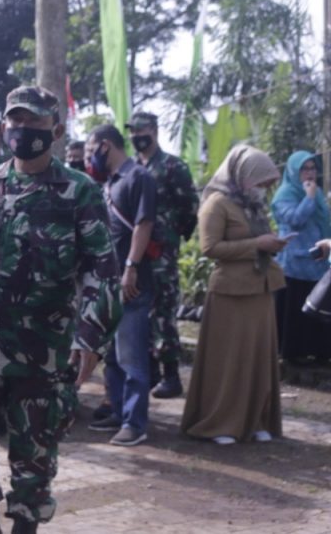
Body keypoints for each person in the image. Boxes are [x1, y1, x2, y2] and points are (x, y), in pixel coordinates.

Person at [0, 86, 121, 534]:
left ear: (54, 129)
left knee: (34, 450)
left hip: (43, 346)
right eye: (16, 121)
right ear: (4, 126)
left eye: (33, 123)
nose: (23, 130)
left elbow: (101, 271)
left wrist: (91, 336)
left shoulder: (79, 192)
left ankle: (25, 526)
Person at [181, 144, 287, 445]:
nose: (264, 189)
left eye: (268, 184)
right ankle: (220, 423)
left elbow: (259, 240)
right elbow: (209, 248)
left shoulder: (252, 205)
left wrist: (273, 244)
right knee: (228, 362)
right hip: (230, 294)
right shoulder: (217, 203)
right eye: (260, 182)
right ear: (242, 175)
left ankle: (255, 420)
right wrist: (257, 245)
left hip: (260, 289)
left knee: (258, 359)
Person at [84, 124, 157, 447]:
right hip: (108, 282)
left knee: (131, 354)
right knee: (112, 354)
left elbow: (144, 224)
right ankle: (116, 409)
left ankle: (135, 422)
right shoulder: (111, 182)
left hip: (132, 282)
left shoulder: (138, 178)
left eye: (90, 151)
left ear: (104, 146)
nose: (89, 158)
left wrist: (131, 268)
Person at [127, 112, 198, 398]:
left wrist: (169, 235)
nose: (136, 135)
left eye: (141, 129)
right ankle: (150, 371)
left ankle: (170, 375)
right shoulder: (131, 167)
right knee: (139, 311)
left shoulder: (172, 166)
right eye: (132, 131)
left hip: (161, 251)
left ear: (154, 131)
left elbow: (189, 206)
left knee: (163, 309)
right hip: (134, 250)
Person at [272, 150, 331, 364]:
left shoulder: (317, 193)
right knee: (294, 309)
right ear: (294, 171)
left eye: (312, 168)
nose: (309, 173)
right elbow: (295, 220)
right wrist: (309, 198)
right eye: (304, 169)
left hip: (317, 262)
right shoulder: (285, 195)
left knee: (318, 307)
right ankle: (292, 354)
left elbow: (325, 221)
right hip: (294, 264)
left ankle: (319, 353)